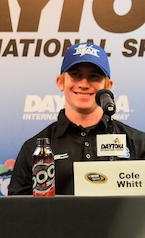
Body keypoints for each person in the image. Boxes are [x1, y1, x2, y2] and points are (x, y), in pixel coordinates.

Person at [9, 42, 145, 195]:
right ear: (60, 82)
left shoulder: (139, 144)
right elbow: (17, 207)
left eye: (93, 76)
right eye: (76, 74)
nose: (84, 84)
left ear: (108, 86)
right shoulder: (35, 149)